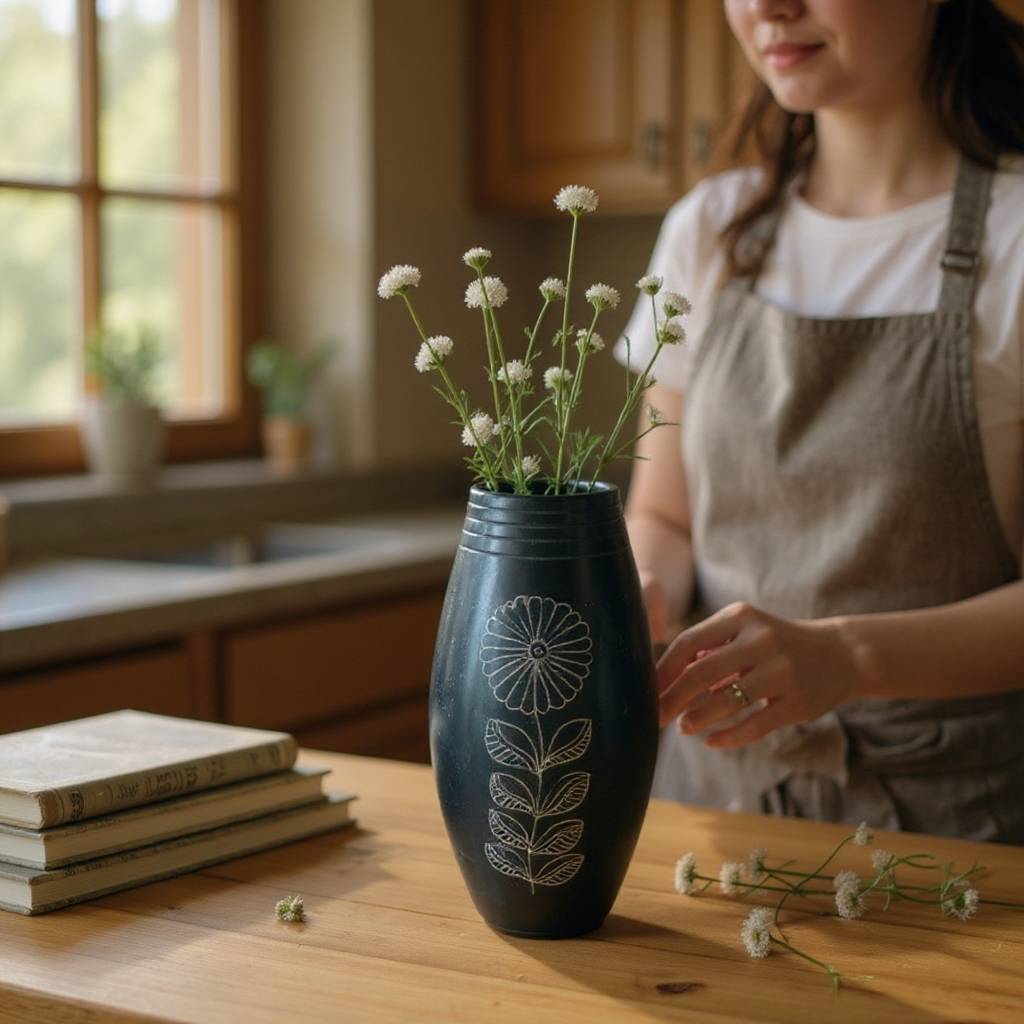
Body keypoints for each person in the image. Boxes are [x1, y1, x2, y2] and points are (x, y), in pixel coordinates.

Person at [618, 0, 1024, 843]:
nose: (769, 6)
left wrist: (849, 657)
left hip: (955, 837)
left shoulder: (1016, 239)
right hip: (710, 814)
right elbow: (661, 514)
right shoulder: (709, 233)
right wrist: (637, 595)